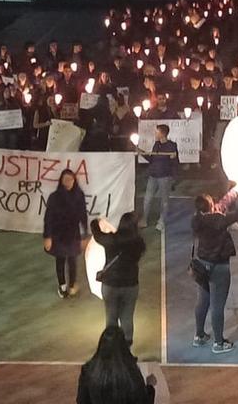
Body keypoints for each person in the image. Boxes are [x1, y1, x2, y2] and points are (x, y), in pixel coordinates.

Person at [192, 188, 238, 355]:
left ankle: (199, 335)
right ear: (210, 207)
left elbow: (223, 204)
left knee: (203, 301)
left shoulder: (196, 219)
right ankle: (218, 342)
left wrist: (235, 191)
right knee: (217, 305)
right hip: (219, 267)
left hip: (202, 265)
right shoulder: (219, 220)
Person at [91, 213, 146, 345]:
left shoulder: (111, 240)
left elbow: (97, 235)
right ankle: (127, 350)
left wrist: (95, 222)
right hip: (130, 285)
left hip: (110, 285)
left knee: (111, 317)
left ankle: (111, 349)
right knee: (127, 317)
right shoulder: (138, 243)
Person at [76, 325, 156, 404]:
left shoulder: (87, 371)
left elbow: (81, 401)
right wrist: (150, 387)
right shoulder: (132, 374)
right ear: (124, 347)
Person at [43, 169, 90, 298]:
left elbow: (83, 215)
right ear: (61, 181)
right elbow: (48, 218)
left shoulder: (79, 195)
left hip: (73, 233)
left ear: (74, 181)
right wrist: (47, 236)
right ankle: (62, 285)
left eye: (70, 179)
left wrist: (85, 234)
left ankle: (72, 285)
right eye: (65, 179)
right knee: (60, 259)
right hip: (58, 234)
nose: (68, 182)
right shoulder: (54, 197)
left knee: (73, 259)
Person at [137, 124, 178, 231]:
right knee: (147, 199)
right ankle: (144, 219)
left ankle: (161, 221)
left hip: (165, 177)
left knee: (164, 201)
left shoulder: (172, 146)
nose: (155, 134)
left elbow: (175, 163)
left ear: (162, 134)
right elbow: (152, 158)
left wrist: (174, 178)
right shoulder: (156, 144)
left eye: (157, 132)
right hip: (153, 176)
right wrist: (140, 152)